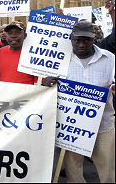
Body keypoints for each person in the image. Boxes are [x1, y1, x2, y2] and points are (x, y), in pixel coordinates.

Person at [43, 20, 115, 183]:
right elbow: (47, 90)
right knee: (73, 172)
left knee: (108, 172)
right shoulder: (59, 60)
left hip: (102, 126)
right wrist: (46, 83)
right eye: (77, 40)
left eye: (86, 40)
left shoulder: (110, 59)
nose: (81, 44)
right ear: (71, 39)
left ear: (94, 38)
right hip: (71, 127)